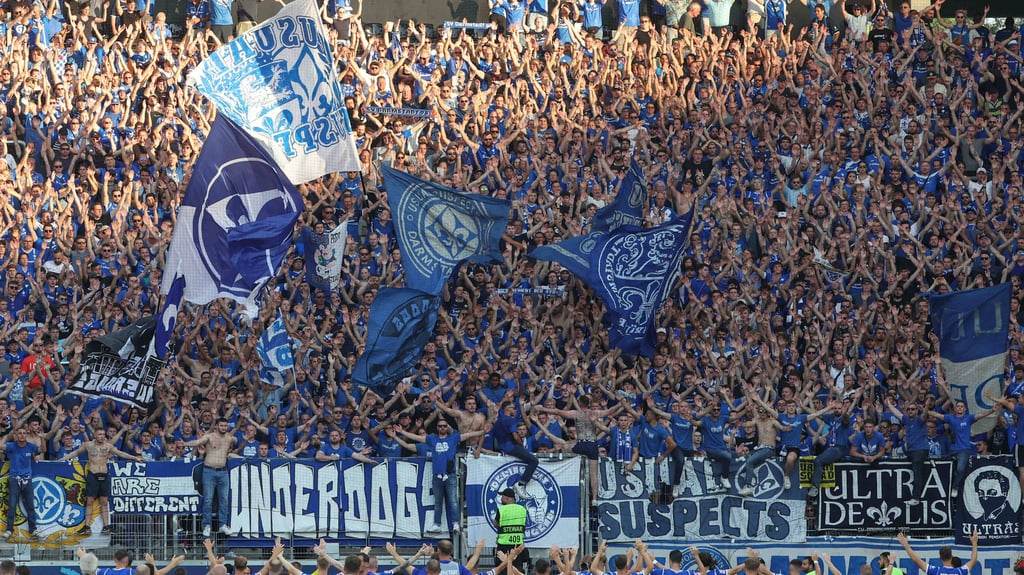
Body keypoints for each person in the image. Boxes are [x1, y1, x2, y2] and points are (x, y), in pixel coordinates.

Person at [398, 417, 485, 533]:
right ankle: (437, 524)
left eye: (445, 426)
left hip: (450, 475)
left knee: (453, 500)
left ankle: (455, 523)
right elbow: (416, 438)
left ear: (447, 427)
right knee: (438, 502)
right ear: (437, 428)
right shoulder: (432, 439)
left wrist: (483, 431)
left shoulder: (453, 438)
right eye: (440, 426)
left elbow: (469, 434)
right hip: (437, 475)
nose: (442, 428)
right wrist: (402, 432)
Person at [58, 428, 143, 534]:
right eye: (100, 434)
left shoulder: (107, 446)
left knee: (104, 502)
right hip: (92, 475)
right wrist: (60, 460)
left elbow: (121, 453)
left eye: (103, 434)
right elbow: (75, 453)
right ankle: (87, 526)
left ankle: (106, 526)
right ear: (95, 435)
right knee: (89, 501)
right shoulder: (88, 445)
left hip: (104, 474)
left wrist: (135, 458)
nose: (102, 436)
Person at [184, 418, 238, 537]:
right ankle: (206, 525)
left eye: (225, 425)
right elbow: (197, 442)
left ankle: (222, 524)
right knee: (208, 500)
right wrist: (184, 443)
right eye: (221, 425)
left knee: (224, 500)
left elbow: (237, 439)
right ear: (217, 426)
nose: (224, 427)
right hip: (209, 471)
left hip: (223, 472)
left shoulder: (229, 438)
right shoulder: (209, 436)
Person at [0, 426, 42, 539]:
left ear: (26, 435)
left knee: (30, 506)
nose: (22, 435)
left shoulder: (30, 446)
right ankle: (9, 529)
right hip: (14, 479)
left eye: (24, 433)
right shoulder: (11, 446)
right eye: (20, 433)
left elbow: (43, 450)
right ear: (16, 435)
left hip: (27, 479)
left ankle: (33, 530)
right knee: (12, 505)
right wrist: (9, 435)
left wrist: (42, 438)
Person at [493, 401, 539, 500]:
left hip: (502, 448)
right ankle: (521, 484)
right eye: (513, 408)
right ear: (508, 409)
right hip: (511, 447)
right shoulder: (510, 420)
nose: (515, 410)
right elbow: (516, 437)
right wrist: (522, 447)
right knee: (534, 461)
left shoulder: (497, 422)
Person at [898, 530, 979, 575]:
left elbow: (916, 560)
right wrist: (974, 543)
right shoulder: (960, 571)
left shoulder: (936, 571)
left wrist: (905, 544)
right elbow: (973, 560)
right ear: (952, 557)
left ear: (940, 558)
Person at [493, 488, 529, 573]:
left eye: (502, 496)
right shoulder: (523, 509)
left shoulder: (502, 509)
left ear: (507, 498)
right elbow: (524, 524)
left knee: (502, 569)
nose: (501, 498)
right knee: (516, 570)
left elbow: (495, 524)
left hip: (503, 546)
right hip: (518, 547)